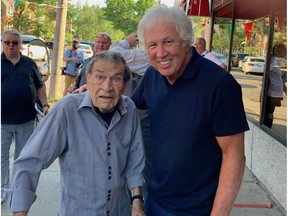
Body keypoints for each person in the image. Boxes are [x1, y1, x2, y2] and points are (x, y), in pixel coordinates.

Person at [131, 6, 249, 215]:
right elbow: (127, 110)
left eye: (168, 41)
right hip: (154, 201)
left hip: (198, 209)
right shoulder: (152, 76)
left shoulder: (219, 85)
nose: (160, 53)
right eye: (152, 45)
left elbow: (234, 156)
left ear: (186, 40)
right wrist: (92, 94)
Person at [4, 51, 146, 216]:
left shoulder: (129, 110)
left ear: (125, 83)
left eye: (116, 79)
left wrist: (136, 201)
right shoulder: (67, 109)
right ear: (88, 77)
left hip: (119, 210)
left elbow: (134, 161)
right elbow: (29, 162)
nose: (107, 87)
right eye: (100, 77)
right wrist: (20, 211)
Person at [1, 29, 49, 203]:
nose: (11, 46)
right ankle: (3, 190)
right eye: (7, 42)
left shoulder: (29, 63)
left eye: (15, 42)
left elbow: (40, 86)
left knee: (22, 157)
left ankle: (17, 188)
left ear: (20, 45)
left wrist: (45, 104)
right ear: (3, 43)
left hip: (26, 119)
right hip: (2, 121)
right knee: (2, 156)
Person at [264, 43, 286, 128]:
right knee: (269, 112)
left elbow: (278, 74)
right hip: (273, 91)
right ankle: (267, 126)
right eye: (282, 50)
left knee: (271, 112)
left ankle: (268, 125)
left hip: (276, 90)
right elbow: (267, 70)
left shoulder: (277, 61)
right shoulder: (273, 60)